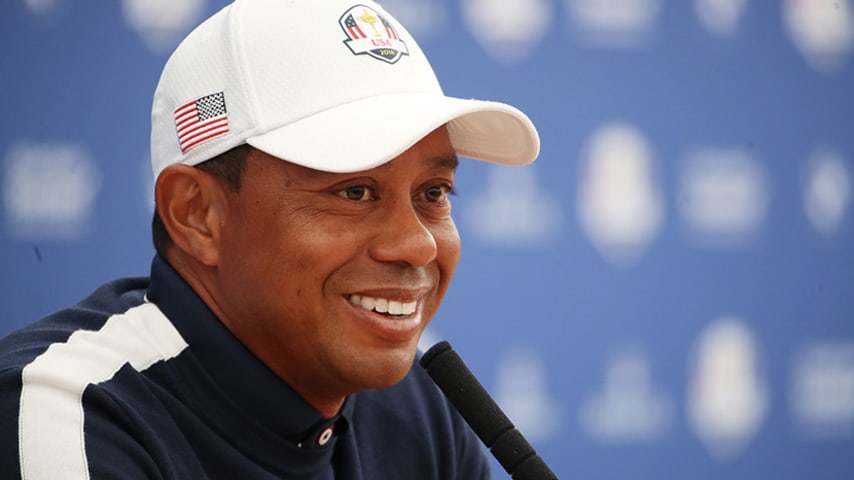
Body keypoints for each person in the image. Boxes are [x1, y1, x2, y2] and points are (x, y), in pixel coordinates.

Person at [0, 0, 539, 478]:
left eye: (435, 192)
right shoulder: (66, 417)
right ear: (197, 215)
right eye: (355, 192)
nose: (417, 246)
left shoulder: (419, 414)